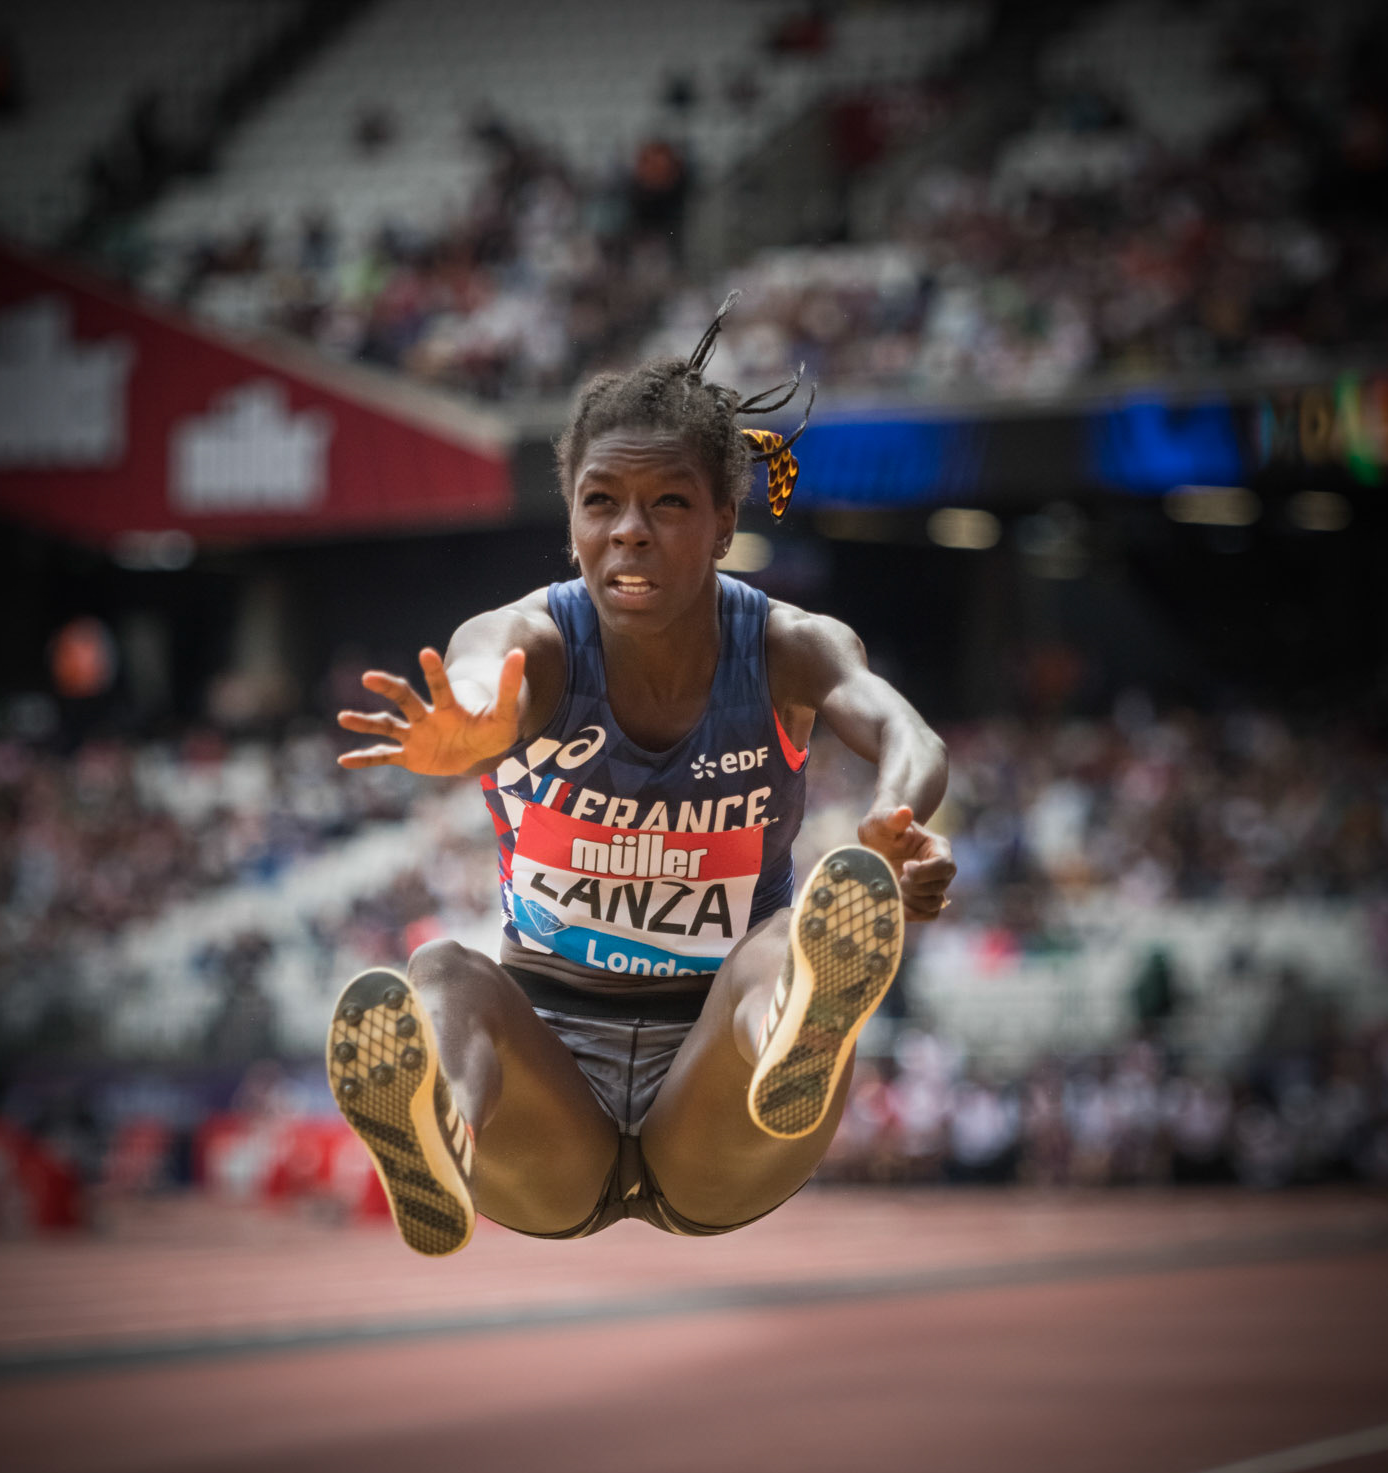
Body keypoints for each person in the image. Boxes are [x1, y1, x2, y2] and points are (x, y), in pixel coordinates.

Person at [330, 296, 956, 1255]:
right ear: (572, 512)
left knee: (780, 942)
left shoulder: (790, 647)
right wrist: (471, 729)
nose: (629, 530)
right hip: (548, 1097)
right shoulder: (521, 644)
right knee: (441, 971)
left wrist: (897, 817)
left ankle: (797, 1032)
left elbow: (906, 733)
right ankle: (442, 1129)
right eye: (600, 501)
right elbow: (480, 687)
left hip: (715, 1091)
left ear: (722, 522)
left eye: (668, 503)